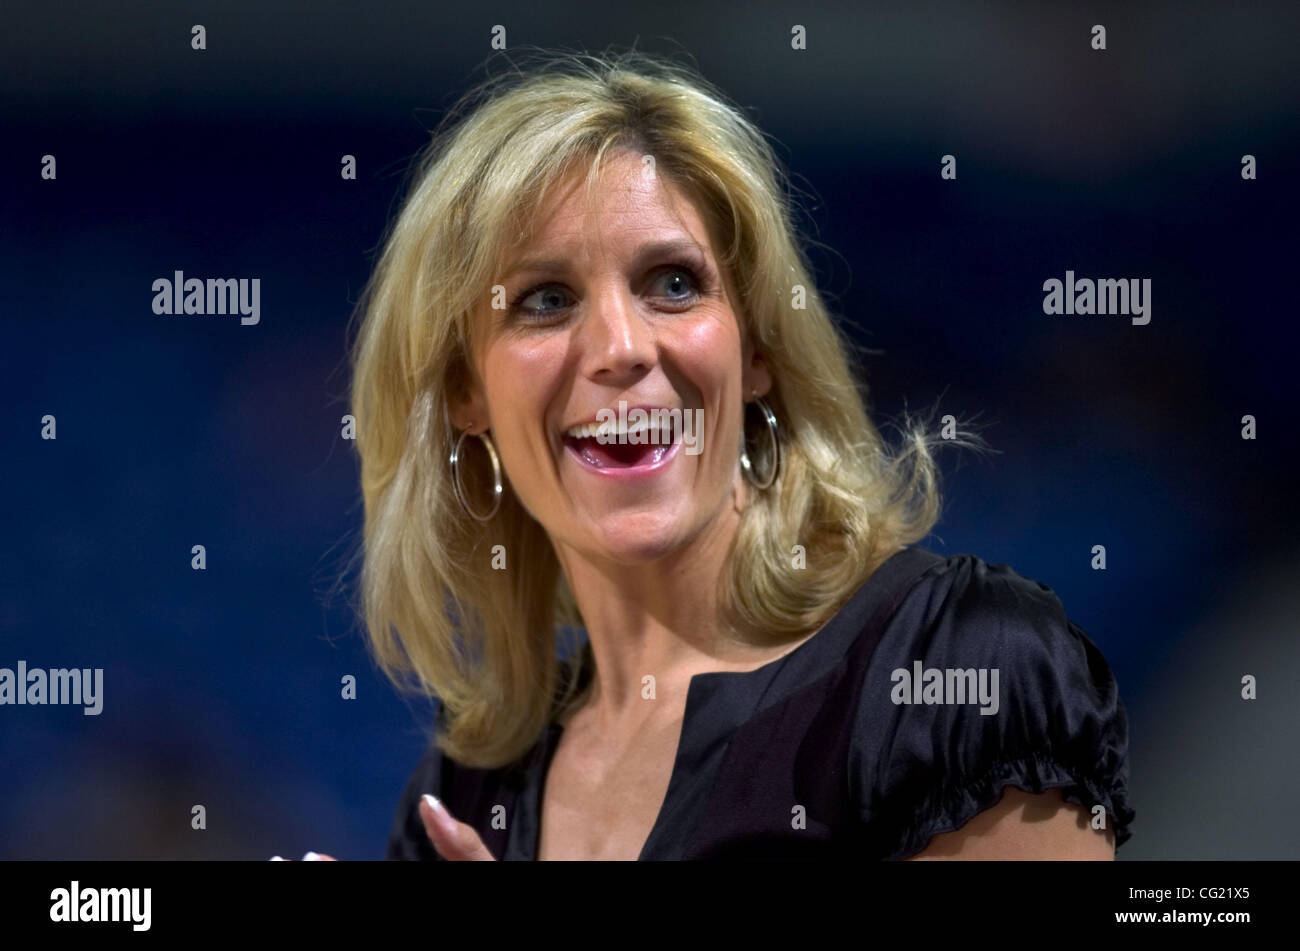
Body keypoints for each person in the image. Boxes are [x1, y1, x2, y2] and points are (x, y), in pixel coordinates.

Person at [301, 49, 1133, 861]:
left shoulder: (954, 670)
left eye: (672, 283)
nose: (621, 346)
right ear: (465, 393)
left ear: (759, 348)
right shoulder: (467, 795)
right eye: (545, 301)